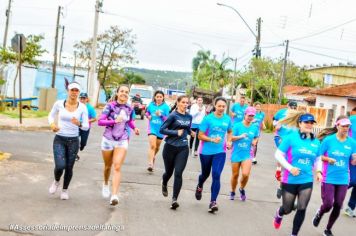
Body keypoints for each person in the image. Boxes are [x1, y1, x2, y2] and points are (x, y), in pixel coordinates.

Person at [273, 112, 322, 236]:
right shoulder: (291, 137)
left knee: (302, 208)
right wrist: (290, 168)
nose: (309, 125)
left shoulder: (316, 142)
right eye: (306, 122)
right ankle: (280, 212)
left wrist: (319, 171)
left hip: (306, 179)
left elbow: (318, 158)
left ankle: (294, 234)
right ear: (300, 123)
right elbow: (278, 154)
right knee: (288, 208)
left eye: (311, 123)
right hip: (290, 179)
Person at [312, 116, 356, 236]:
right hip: (328, 177)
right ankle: (319, 213)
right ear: (337, 126)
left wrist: (354, 160)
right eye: (343, 126)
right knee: (327, 205)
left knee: (338, 205)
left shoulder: (352, 143)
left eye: (348, 126)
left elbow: (352, 161)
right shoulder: (328, 140)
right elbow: (318, 157)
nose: (346, 128)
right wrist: (327, 159)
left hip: (343, 178)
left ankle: (328, 229)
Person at [98, 84, 140, 206]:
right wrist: (113, 121)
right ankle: (106, 183)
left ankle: (114, 195)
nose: (124, 93)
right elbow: (100, 121)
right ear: (117, 93)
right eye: (122, 91)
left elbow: (130, 121)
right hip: (108, 139)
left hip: (122, 139)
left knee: (117, 166)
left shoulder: (129, 108)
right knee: (107, 166)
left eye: (126, 92)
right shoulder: (110, 106)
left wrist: (135, 128)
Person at [48, 82, 89, 200]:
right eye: (72, 90)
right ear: (68, 91)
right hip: (59, 138)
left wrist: (79, 123)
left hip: (73, 140)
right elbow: (50, 115)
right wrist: (52, 124)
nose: (74, 92)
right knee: (60, 166)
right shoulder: (59, 104)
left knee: (69, 167)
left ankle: (65, 190)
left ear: (79, 92)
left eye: (76, 90)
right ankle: (56, 181)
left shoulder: (82, 107)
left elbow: (86, 126)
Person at [195, 97, 232, 213]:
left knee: (216, 174)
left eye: (223, 106)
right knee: (205, 174)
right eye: (219, 106)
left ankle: (213, 202)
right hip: (206, 151)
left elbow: (230, 131)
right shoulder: (208, 119)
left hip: (220, 151)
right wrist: (211, 139)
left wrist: (229, 141)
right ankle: (200, 185)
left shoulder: (227, 119)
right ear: (215, 106)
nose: (221, 108)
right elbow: (200, 135)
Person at [159, 95, 194, 210]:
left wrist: (191, 132)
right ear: (178, 103)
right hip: (170, 147)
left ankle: (174, 199)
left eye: (187, 103)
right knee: (168, 172)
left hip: (183, 147)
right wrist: (175, 133)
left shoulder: (189, 116)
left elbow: (187, 128)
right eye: (183, 102)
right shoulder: (173, 115)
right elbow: (162, 129)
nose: (185, 105)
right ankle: (164, 182)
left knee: (178, 173)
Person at [229, 106, 259, 201]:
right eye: (249, 115)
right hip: (236, 153)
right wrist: (240, 136)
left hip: (247, 154)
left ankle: (241, 188)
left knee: (245, 174)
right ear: (245, 115)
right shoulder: (237, 125)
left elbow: (256, 137)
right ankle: (233, 191)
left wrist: (255, 141)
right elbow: (231, 138)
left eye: (252, 116)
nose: (250, 117)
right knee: (235, 175)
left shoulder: (254, 127)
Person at [273, 100, 298, 199]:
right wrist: (276, 124)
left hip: (292, 141)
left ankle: (282, 186)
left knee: (290, 163)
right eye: (291, 107)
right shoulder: (281, 112)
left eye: (295, 107)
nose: (293, 109)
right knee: (282, 156)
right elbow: (274, 120)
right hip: (280, 137)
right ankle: (278, 171)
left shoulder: (297, 116)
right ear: (288, 106)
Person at [145, 90, 170, 172]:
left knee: (157, 147)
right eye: (157, 97)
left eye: (160, 97)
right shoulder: (151, 105)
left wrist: (161, 115)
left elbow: (168, 119)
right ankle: (150, 163)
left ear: (163, 98)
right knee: (152, 146)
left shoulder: (166, 107)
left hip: (161, 129)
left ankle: (152, 156)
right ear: (155, 97)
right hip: (152, 128)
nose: (159, 98)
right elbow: (147, 113)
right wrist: (148, 116)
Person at [76, 92, 97, 161]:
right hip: (77, 127)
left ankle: (82, 146)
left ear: (87, 99)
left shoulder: (90, 108)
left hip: (86, 128)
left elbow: (94, 118)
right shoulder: (77, 106)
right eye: (81, 98)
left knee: (83, 142)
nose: (82, 100)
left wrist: (86, 121)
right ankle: (75, 154)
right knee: (75, 140)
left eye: (84, 98)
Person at [344, 107, 356, 217]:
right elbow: (341, 129)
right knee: (352, 180)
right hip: (352, 154)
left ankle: (350, 207)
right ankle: (334, 194)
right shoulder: (352, 119)